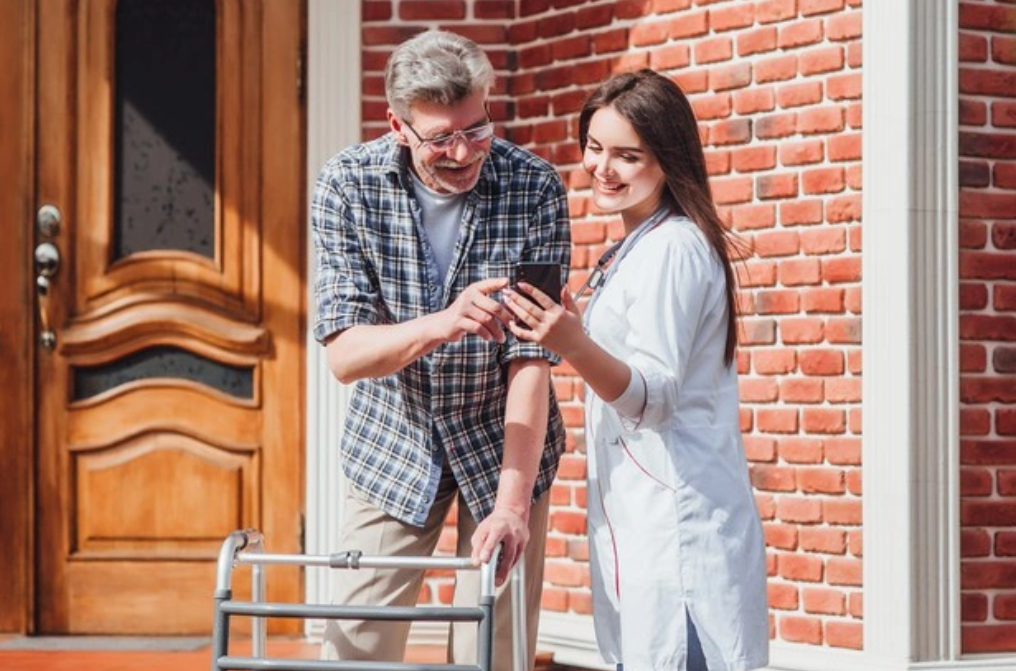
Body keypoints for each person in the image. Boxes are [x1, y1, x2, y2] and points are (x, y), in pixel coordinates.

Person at [310, 30, 571, 670]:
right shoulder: (346, 186)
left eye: (476, 129)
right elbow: (345, 354)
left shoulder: (535, 187)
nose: (463, 152)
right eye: (440, 138)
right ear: (397, 124)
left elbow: (531, 359)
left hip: (504, 439)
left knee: (494, 652)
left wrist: (512, 506)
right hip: (393, 440)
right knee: (355, 648)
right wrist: (444, 322)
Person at [503, 69, 769, 671]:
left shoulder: (672, 248)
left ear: (668, 160)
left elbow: (654, 396)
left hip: (681, 534)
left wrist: (571, 341)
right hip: (646, 526)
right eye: (594, 147)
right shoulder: (637, 246)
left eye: (627, 155)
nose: (603, 168)